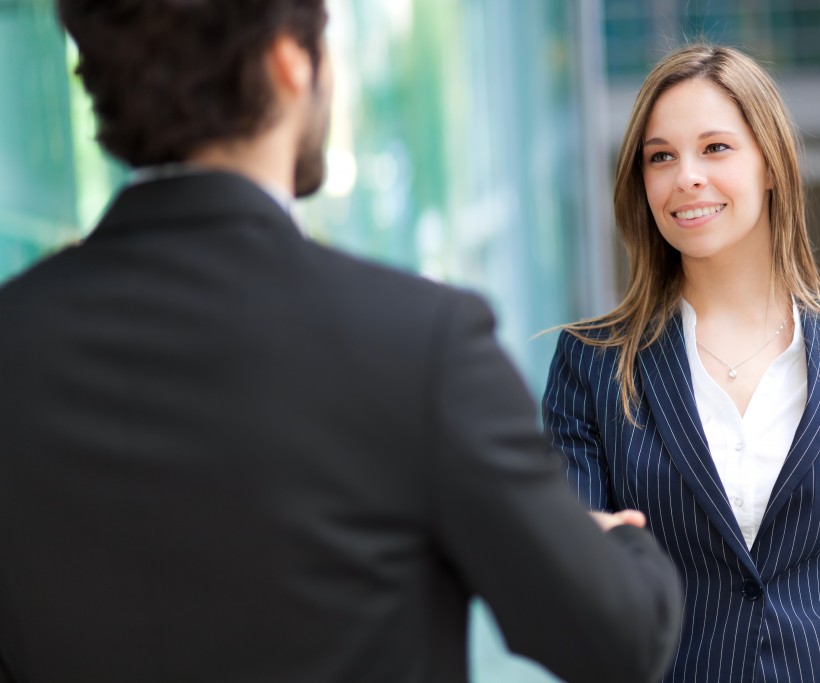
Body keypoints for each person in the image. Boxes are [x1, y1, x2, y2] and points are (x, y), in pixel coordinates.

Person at [0, 2, 683, 682]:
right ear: (288, 62)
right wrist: (617, 540)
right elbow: (617, 640)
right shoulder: (420, 344)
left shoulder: (17, 339)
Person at [543, 44, 820, 683]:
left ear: (771, 164)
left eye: (715, 148)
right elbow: (567, 601)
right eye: (661, 156)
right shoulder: (592, 366)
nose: (686, 175)